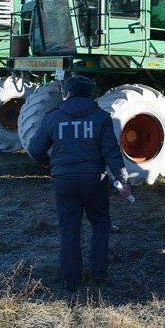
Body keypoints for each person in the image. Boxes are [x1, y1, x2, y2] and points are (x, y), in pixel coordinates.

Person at [27, 75, 133, 291]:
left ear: (68, 93)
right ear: (89, 94)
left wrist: (50, 165)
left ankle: (70, 280)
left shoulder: (52, 117)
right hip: (95, 180)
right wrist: (123, 181)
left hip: (64, 181)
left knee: (69, 229)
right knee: (101, 223)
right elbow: (112, 154)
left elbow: (35, 149)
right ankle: (99, 274)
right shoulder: (102, 118)